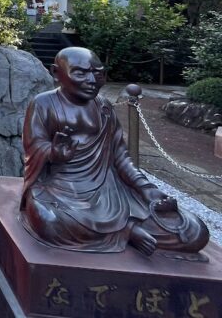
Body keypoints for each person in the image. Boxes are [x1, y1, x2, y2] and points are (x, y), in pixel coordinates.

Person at [20, 47, 209, 256]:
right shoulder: (43, 104)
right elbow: (33, 147)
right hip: (61, 188)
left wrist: (146, 189)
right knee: (49, 222)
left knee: (194, 232)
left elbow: (120, 156)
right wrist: (52, 154)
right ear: (56, 73)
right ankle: (128, 231)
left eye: (98, 73)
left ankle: (120, 229)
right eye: (80, 73)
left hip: (110, 190)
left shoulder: (104, 108)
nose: (92, 80)